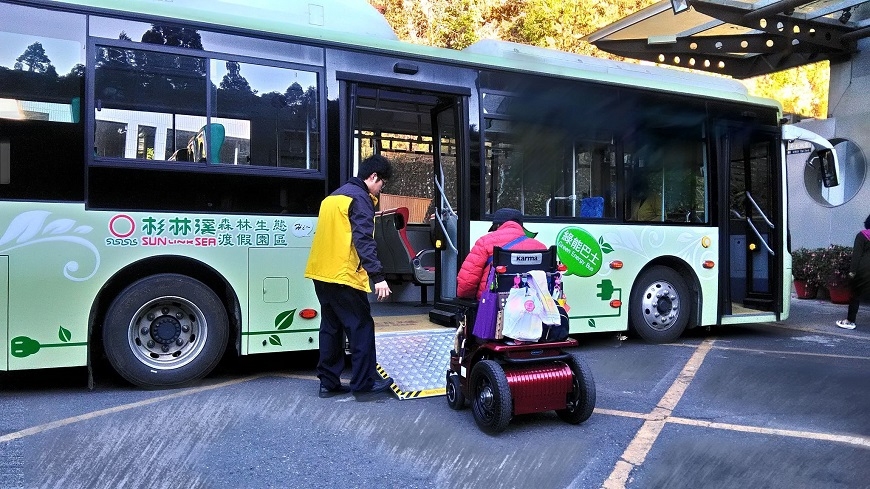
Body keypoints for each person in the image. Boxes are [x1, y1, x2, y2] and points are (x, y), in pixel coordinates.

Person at [304, 154, 395, 401]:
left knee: (331, 327)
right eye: (381, 184)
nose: (380, 189)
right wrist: (379, 277)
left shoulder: (333, 197)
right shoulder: (361, 199)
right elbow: (363, 240)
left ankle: (328, 383)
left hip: (321, 273)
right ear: (373, 177)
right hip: (343, 275)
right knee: (361, 326)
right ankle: (364, 385)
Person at [457, 208, 547, 300]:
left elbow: (467, 282)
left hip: (493, 304)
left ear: (498, 225)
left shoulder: (485, 242)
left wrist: (470, 300)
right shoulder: (541, 247)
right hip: (532, 305)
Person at [836, 213, 870, 330]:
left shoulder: (862, 236)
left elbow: (857, 256)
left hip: (864, 270)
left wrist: (852, 272)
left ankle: (850, 321)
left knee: (855, 295)